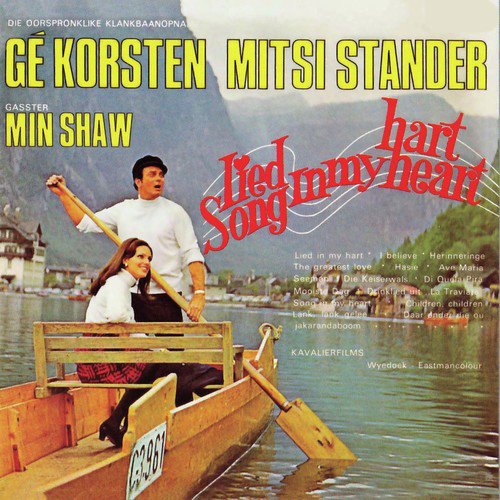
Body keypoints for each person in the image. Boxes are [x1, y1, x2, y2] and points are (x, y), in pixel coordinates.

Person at [80, 238, 222, 447]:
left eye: (149, 258)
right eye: (141, 256)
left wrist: (154, 346)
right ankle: (205, 390)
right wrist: (154, 346)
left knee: (162, 364)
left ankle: (116, 421)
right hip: (104, 357)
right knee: (165, 365)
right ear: (125, 260)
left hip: (102, 353)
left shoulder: (118, 284)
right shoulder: (118, 284)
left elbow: (126, 329)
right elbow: (118, 317)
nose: (146, 262)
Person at [46, 154, 206, 323]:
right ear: (138, 181)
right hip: (130, 294)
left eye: (161, 175)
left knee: (172, 342)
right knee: (130, 340)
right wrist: (63, 194)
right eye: (152, 174)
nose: (159, 179)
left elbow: (192, 253)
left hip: (168, 296)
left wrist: (199, 293)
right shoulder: (123, 210)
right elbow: (85, 223)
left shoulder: (175, 212)